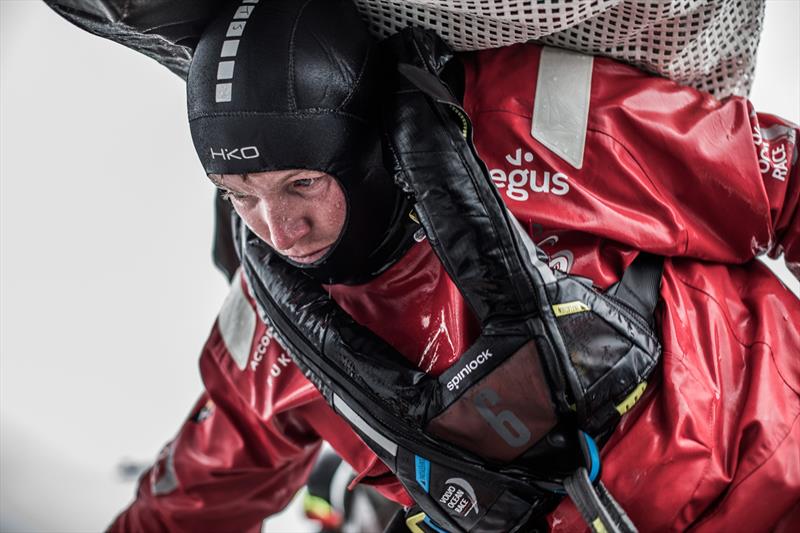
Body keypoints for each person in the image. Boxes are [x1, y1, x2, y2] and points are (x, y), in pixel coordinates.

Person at [109, 0, 800, 531]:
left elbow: (781, 183)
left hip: (779, 453)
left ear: (360, 143)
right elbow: (191, 495)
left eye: (301, 184)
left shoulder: (529, 116)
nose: (280, 232)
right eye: (241, 198)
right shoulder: (270, 324)